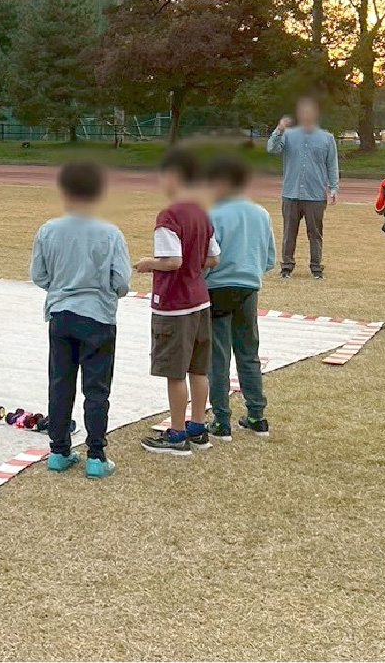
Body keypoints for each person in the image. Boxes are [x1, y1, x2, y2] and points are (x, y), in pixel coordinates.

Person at [29, 160, 131, 478]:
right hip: (98, 316)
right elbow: (122, 282)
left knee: (60, 383)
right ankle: (96, 456)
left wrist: (62, 286)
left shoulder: (48, 230)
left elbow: (39, 275)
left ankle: (59, 451)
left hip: (61, 315)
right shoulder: (111, 234)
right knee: (96, 388)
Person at [136, 148, 220, 457]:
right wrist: (194, 266)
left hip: (175, 305)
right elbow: (214, 257)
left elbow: (172, 260)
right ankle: (198, 426)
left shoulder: (169, 216)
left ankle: (176, 434)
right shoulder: (201, 213)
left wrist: (148, 263)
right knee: (199, 369)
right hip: (200, 300)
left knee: (175, 372)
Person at [204, 155, 276, 440]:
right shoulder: (261, 214)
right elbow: (269, 259)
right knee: (248, 352)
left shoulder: (213, 215)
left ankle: (221, 420)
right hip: (248, 288)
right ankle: (256, 415)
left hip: (218, 288)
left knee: (218, 357)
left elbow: (207, 258)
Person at [266, 96, 339, 279]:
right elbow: (272, 149)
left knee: (315, 233)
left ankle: (316, 267)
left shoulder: (327, 138)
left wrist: (334, 188)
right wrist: (279, 129)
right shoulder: (288, 135)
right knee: (289, 233)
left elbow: (332, 165)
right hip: (291, 193)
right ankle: (286, 267)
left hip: (315, 195)